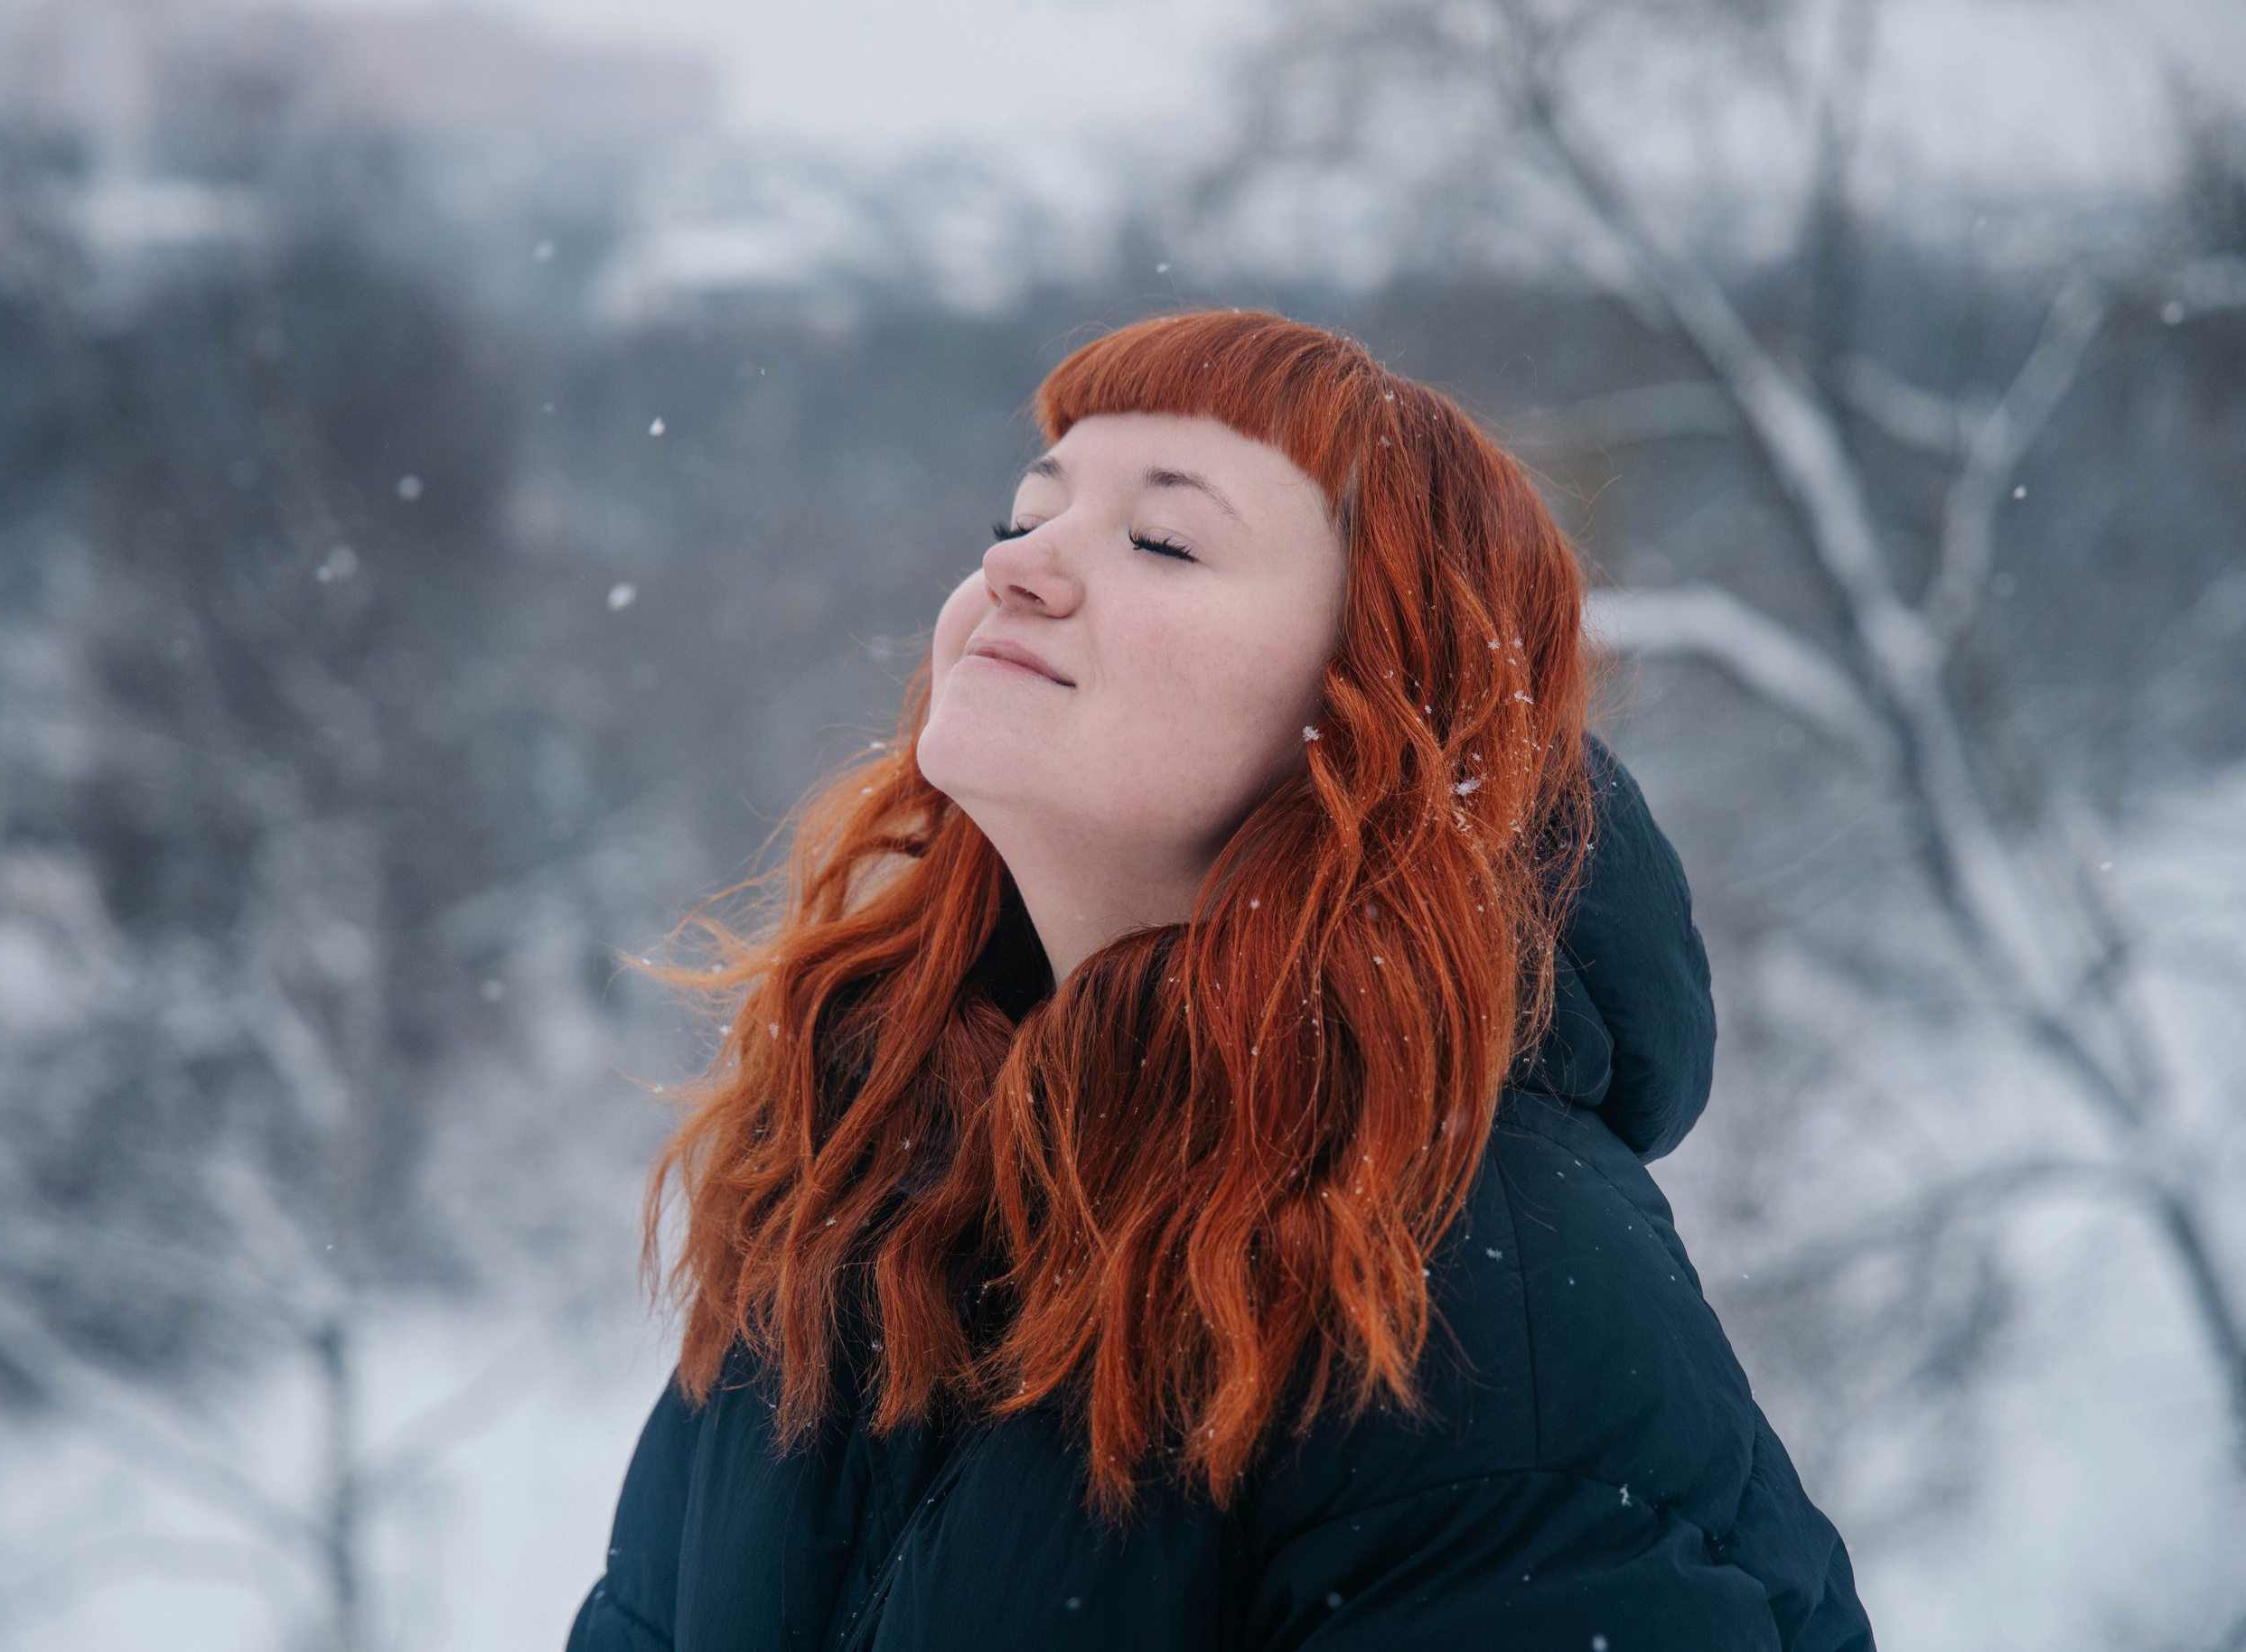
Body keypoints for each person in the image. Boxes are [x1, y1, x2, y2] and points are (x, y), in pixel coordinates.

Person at [566, 310, 1873, 1650]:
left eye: (1163, 541)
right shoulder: (861, 1174)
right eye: (1024, 519)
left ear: (1371, 709)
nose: (1017, 567)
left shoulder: (1493, 1306)